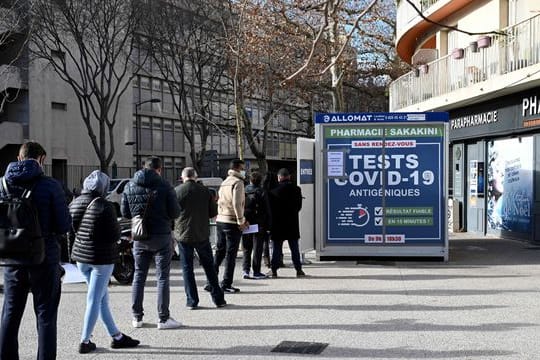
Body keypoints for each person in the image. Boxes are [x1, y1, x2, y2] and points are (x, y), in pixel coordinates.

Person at [0, 141, 71, 360]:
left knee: (10, 316)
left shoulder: (2, 184)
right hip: (44, 258)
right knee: (46, 317)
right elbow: (63, 226)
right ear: (41, 159)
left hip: (11, 259)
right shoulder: (50, 185)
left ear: (19, 158)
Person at [69, 170, 140, 353]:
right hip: (101, 258)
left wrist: (72, 254)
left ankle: (116, 336)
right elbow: (115, 234)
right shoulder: (105, 206)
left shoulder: (74, 203)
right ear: (103, 187)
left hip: (81, 258)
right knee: (95, 299)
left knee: (101, 298)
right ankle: (85, 341)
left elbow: (71, 231)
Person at [121, 156, 182, 330]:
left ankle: (137, 317)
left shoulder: (129, 185)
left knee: (139, 276)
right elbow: (175, 212)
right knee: (162, 277)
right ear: (159, 169)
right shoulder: (165, 186)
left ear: (143, 167)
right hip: (161, 234)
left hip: (139, 235)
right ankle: (163, 318)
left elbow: (125, 212)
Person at [174, 167, 226, 309]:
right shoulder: (205, 191)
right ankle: (218, 299)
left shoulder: (177, 191)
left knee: (187, 268)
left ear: (182, 177)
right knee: (209, 266)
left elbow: (171, 213)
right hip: (202, 234)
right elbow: (212, 213)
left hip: (183, 234)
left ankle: (192, 301)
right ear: (195, 177)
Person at [212, 159, 249, 293]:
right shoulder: (238, 182)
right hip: (232, 221)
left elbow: (220, 201)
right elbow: (237, 204)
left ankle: (211, 280)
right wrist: (241, 221)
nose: (245, 170)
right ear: (238, 168)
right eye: (243, 168)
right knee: (231, 254)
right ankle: (226, 283)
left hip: (221, 220)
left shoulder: (225, 182)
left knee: (220, 252)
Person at [267, 168, 305, 278]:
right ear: (289, 177)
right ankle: (298, 270)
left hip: (277, 223)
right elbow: (299, 207)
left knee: (276, 249)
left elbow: (270, 208)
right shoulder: (296, 189)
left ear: (279, 177)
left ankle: (274, 270)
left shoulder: (273, 190)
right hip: (292, 223)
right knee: (294, 248)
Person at [241, 171, 271, 279]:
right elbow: (267, 209)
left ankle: (245, 270)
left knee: (246, 248)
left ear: (250, 180)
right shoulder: (262, 192)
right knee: (257, 248)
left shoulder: (244, 190)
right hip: (259, 223)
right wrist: (268, 225)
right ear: (260, 181)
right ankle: (256, 271)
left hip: (246, 222)